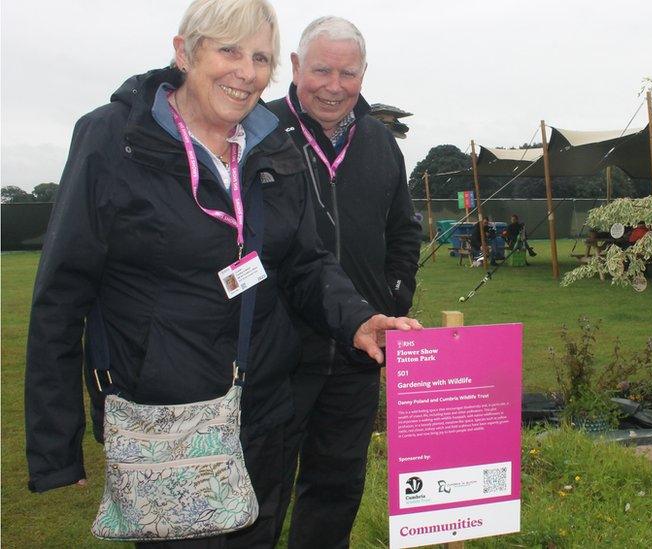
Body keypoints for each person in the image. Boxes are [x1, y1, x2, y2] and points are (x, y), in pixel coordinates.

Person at [23, 2, 419, 547]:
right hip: (170, 418)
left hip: (263, 408)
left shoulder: (268, 145)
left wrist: (358, 319)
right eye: (228, 50)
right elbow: (61, 296)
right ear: (184, 51)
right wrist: (54, 444)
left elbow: (304, 262)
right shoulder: (114, 138)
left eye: (260, 57)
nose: (247, 70)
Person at [266, 16, 421, 548]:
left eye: (347, 73)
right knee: (260, 488)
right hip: (279, 351)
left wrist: (393, 296)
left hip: (360, 351)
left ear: (363, 74)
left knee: (336, 486)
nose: (334, 86)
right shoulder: (259, 131)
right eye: (322, 70)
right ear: (294, 67)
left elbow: (404, 229)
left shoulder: (379, 141)